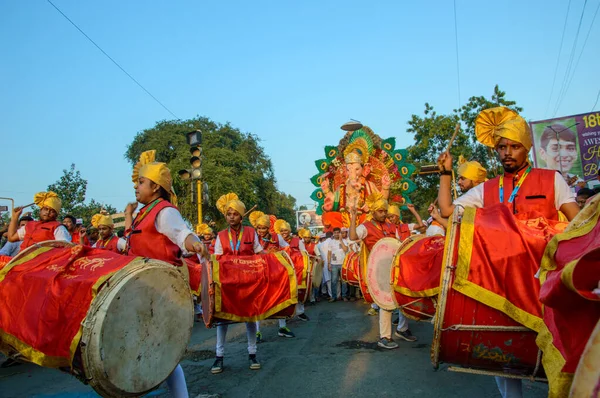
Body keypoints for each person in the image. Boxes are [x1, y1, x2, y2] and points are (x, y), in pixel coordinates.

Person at [437, 107, 579, 398]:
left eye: (514, 146)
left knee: (560, 359)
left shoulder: (552, 180)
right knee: (505, 361)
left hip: (544, 284)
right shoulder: (486, 189)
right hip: (499, 284)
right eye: (501, 147)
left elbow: (577, 225)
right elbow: (448, 212)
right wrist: (445, 174)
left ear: (526, 148)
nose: (507, 153)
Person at [125, 150, 207, 398]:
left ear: (156, 187)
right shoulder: (143, 213)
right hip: (142, 286)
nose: (136, 187)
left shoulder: (164, 211)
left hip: (160, 289)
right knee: (154, 350)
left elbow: (181, 233)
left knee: (163, 352)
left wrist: (196, 244)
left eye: (141, 182)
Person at [349, 192, 418, 350]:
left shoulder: (389, 225)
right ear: (373, 212)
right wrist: (353, 216)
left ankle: (402, 329)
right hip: (379, 269)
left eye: (385, 211)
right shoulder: (365, 227)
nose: (384, 214)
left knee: (402, 297)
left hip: (394, 266)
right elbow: (353, 236)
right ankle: (385, 337)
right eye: (381, 211)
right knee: (385, 303)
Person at [211, 192, 264, 374]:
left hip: (249, 282)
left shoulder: (250, 232)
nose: (231, 217)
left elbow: (259, 252)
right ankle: (219, 357)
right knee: (223, 321)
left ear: (242, 216)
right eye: (228, 214)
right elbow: (217, 258)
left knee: (250, 318)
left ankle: (252, 353)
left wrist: (275, 258)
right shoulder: (220, 235)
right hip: (228, 284)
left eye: (235, 214)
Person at [249, 211, 295, 340]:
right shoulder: (253, 237)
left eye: (264, 228)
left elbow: (287, 248)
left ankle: (282, 327)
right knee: (257, 301)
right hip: (258, 273)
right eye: (259, 228)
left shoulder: (277, 237)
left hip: (275, 273)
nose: (261, 231)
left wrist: (278, 254)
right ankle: (257, 331)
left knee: (279, 298)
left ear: (268, 227)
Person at [7, 191, 71, 249]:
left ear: (56, 215)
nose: (47, 212)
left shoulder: (59, 227)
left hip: (43, 260)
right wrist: (15, 217)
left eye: (52, 211)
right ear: (40, 210)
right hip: (23, 258)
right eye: (46, 209)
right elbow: (11, 238)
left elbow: (64, 245)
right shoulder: (29, 225)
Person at [275, 219, 309, 322]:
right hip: (283, 271)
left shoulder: (297, 241)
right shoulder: (277, 241)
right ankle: (286, 314)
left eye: (285, 230)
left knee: (299, 291)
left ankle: (300, 312)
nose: (284, 233)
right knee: (285, 293)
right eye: (282, 231)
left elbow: (304, 253)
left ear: (289, 231)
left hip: (297, 270)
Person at [327, 227, 348, 302]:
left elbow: (346, 249)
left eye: (337, 232)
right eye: (335, 232)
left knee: (344, 281)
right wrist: (329, 263)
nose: (336, 234)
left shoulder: (344, 241)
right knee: (333, 281)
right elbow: (329, 253)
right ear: (333, 233)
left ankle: (344, 296)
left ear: (340, 233)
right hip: (334, 264)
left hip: (343, 263)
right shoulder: (331, 242)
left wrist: (341, 240)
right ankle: (333, 297)